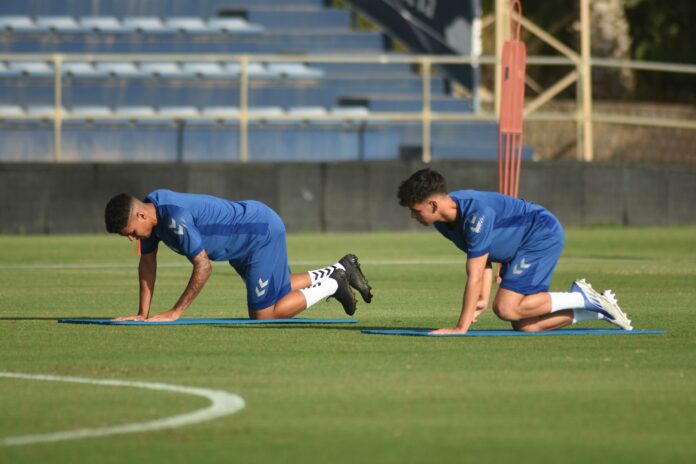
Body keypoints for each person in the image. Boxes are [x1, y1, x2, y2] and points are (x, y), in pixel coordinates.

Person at [397, 168, 632, 334]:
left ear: (433, 205)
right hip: (523, 244)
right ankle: (599, 310)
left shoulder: (476, 214)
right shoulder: (442, 221)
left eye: (416, 211)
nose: (413, 216)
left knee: (505, 307)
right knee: (526, 325)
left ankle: (582, 297)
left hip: (541, 233)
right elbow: (482, 256)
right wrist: (481, 299)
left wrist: (461, 327)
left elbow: (476, 273)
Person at [104, 190, 373, 322]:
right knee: (280, 289)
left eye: (130, 232)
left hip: (257, 235)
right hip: (248, 234)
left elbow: (203, 267)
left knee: (264, 315)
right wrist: (143, 313)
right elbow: (147, 263)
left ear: (141, 215)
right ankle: (341, 268)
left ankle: (333, 283)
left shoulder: (174, 218)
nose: (131, 238)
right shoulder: (150, 217)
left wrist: (176, 312)